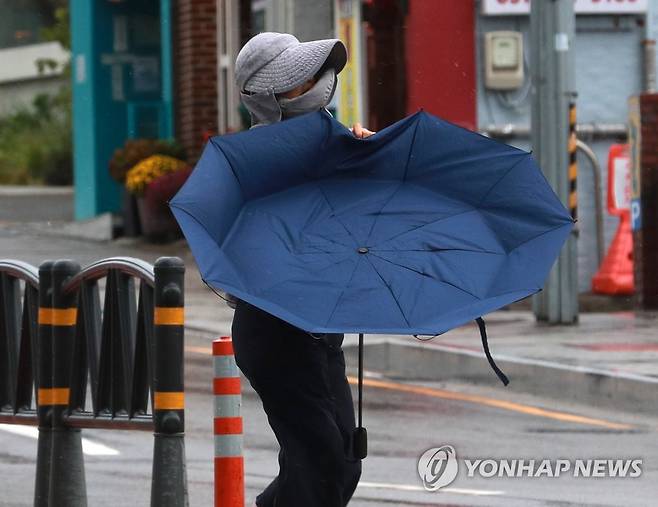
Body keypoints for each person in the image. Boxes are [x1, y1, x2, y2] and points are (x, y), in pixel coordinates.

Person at [230, 32, 373, 507]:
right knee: (322, 462)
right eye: (298, 80)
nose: (316, 83)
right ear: (262, 97)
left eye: (315, 73)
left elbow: (350, 233)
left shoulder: (332, 145)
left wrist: (369, 164)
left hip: (322, 329)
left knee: (342, 462)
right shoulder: (250, 164)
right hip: (275, 333)